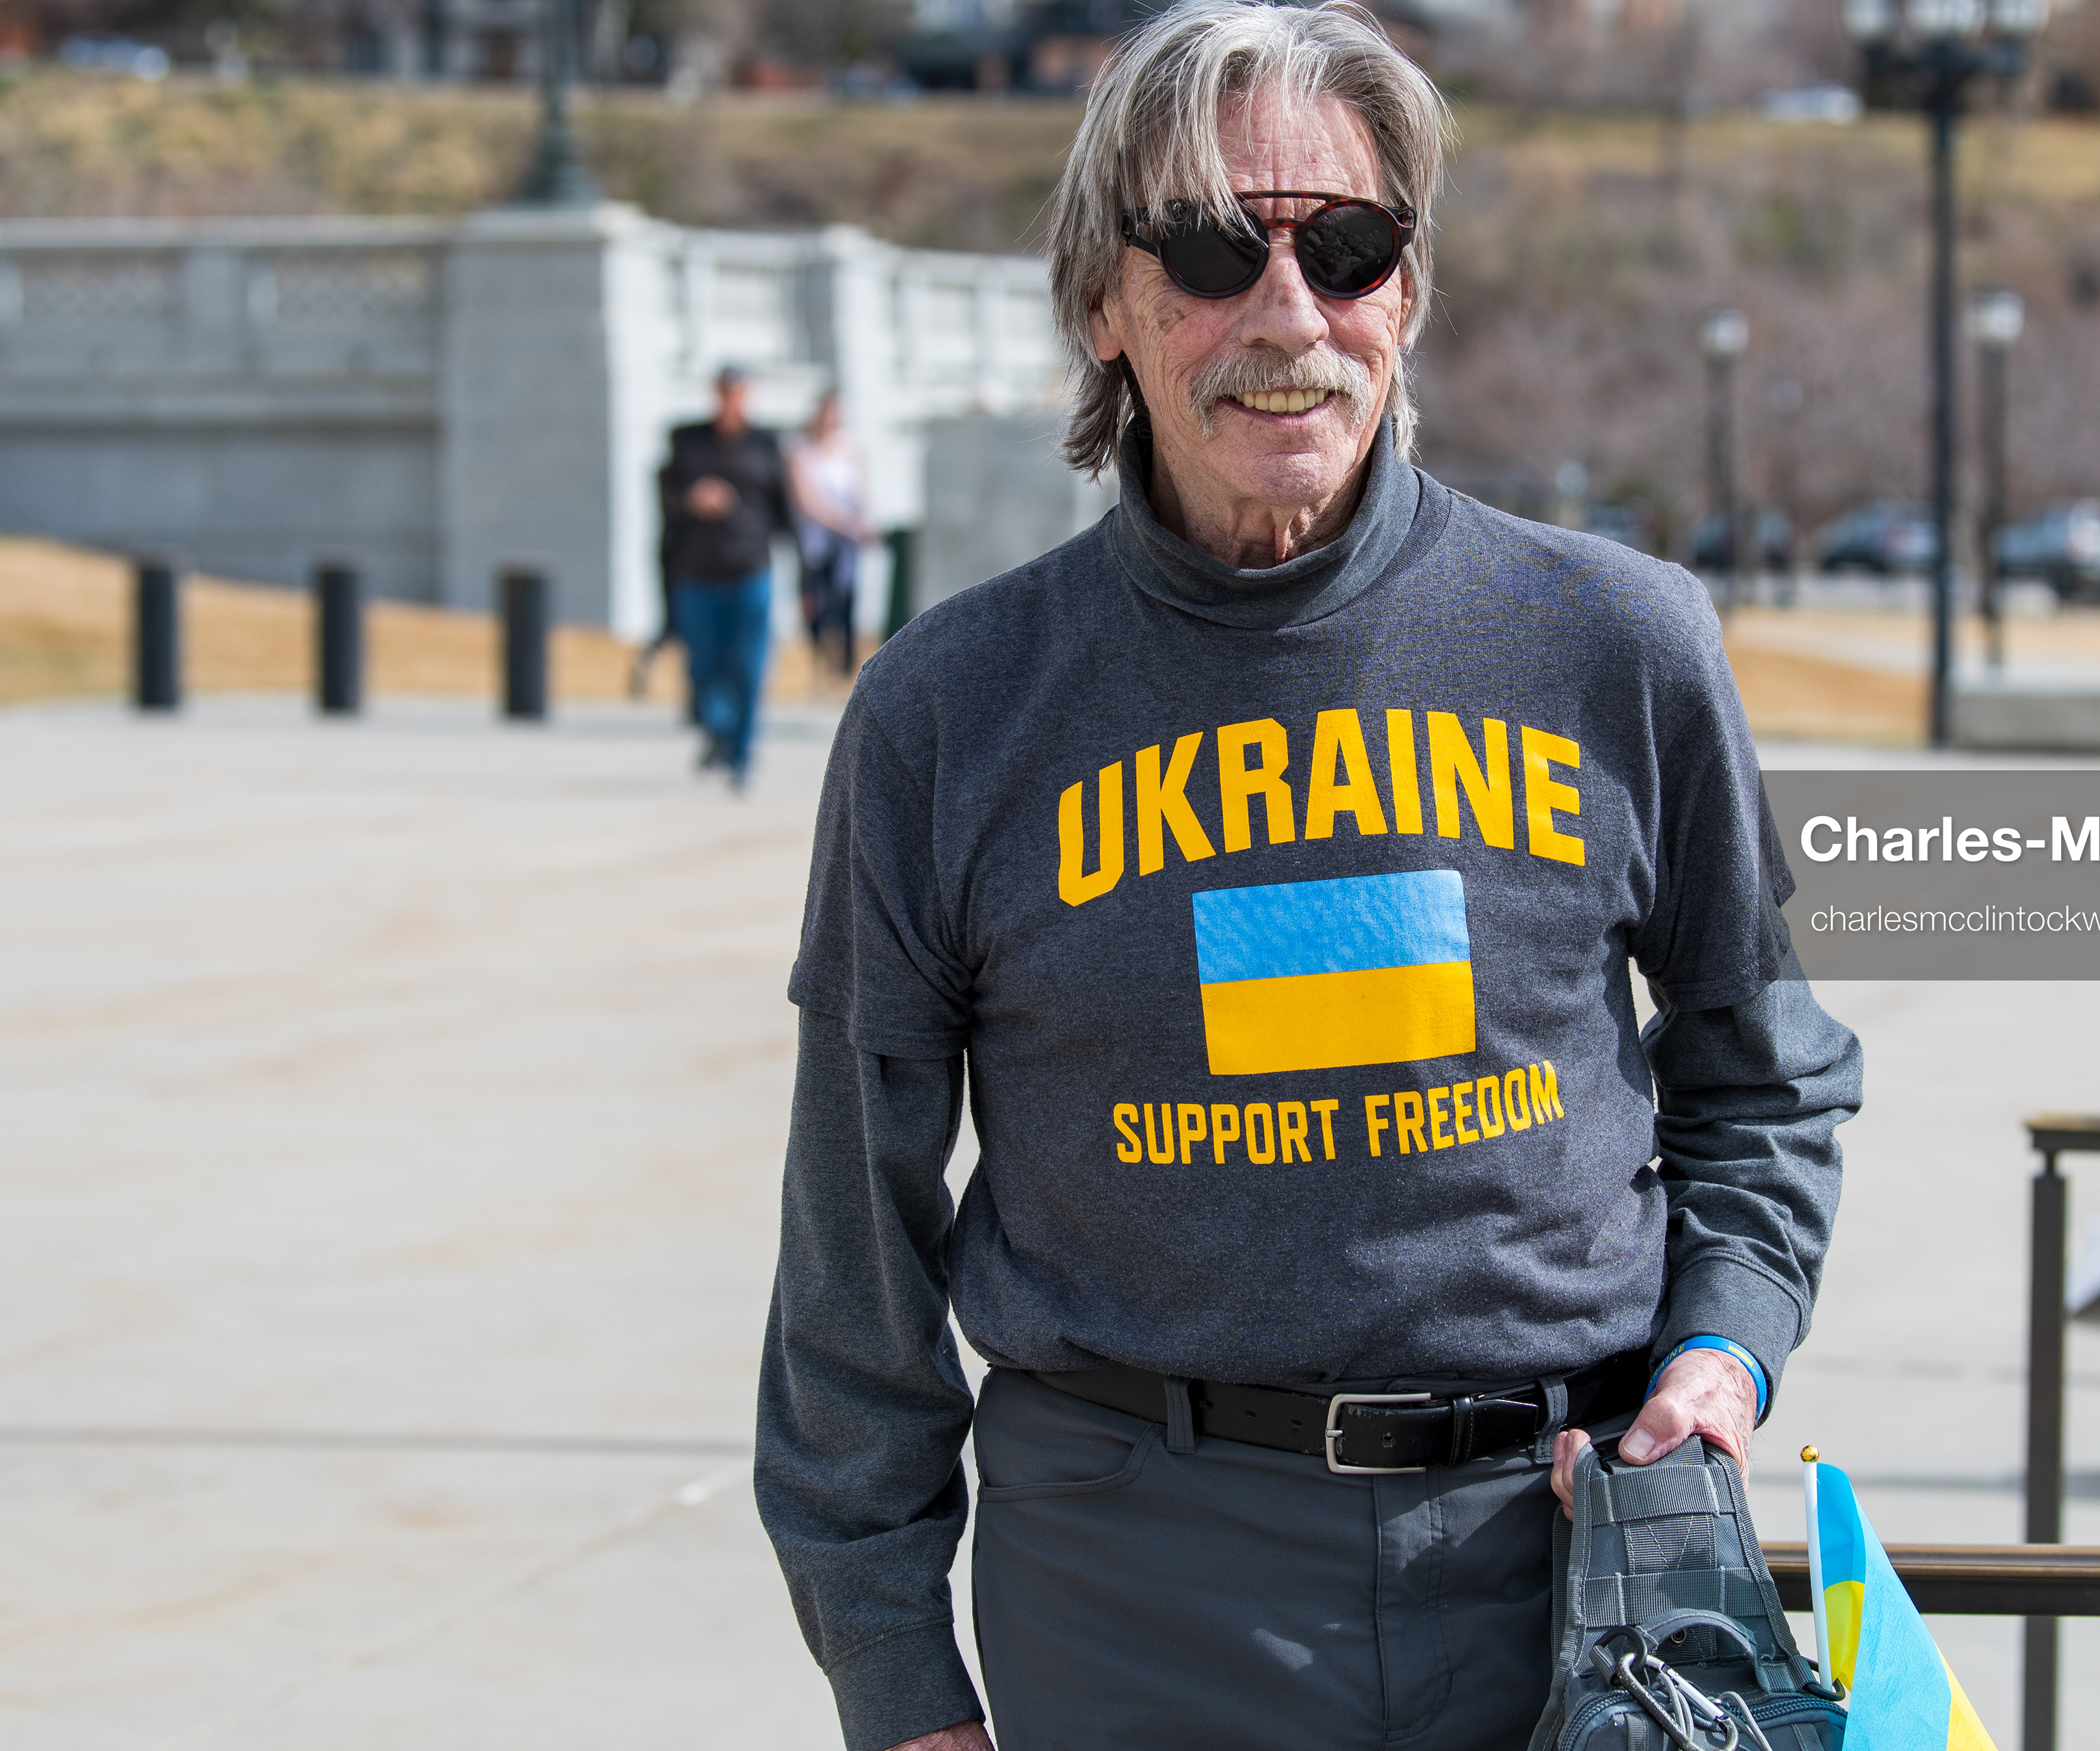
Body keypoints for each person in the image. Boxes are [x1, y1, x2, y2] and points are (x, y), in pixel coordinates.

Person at [752, 6, 1859, 1750]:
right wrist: (896, 1676)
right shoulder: (946, 713)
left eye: (1342, 248)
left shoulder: (1615, 646)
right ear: (1102, 306)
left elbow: (1765, 1076)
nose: (1287, 313)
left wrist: (1718, 1354)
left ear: (1403, 295)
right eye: (1209, 248)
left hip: (1564, 1571)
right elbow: (849, 1248)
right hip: (1131, 1581)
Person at [658, 365, 791, 789]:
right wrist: (692, 499)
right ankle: (718, 729)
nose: (730, 400)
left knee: (749, 667)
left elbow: (785, 511)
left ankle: (741, 754)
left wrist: (808, 578)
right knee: (703, 666)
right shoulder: (687, 440)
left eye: (738, 392)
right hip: (696, 573)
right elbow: (664, 498)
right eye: (724, 392)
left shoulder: (767, 444)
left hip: (751, 571)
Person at [787, 389, 874, 688]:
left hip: (846, 543)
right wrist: (842, 521)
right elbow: (806, 501)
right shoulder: (800, 451)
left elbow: (860, 493)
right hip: (816, 542)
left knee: (846, 603)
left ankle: (845, 670)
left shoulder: (849, 448)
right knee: (816, 604)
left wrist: (861, 523)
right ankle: (820, 664)